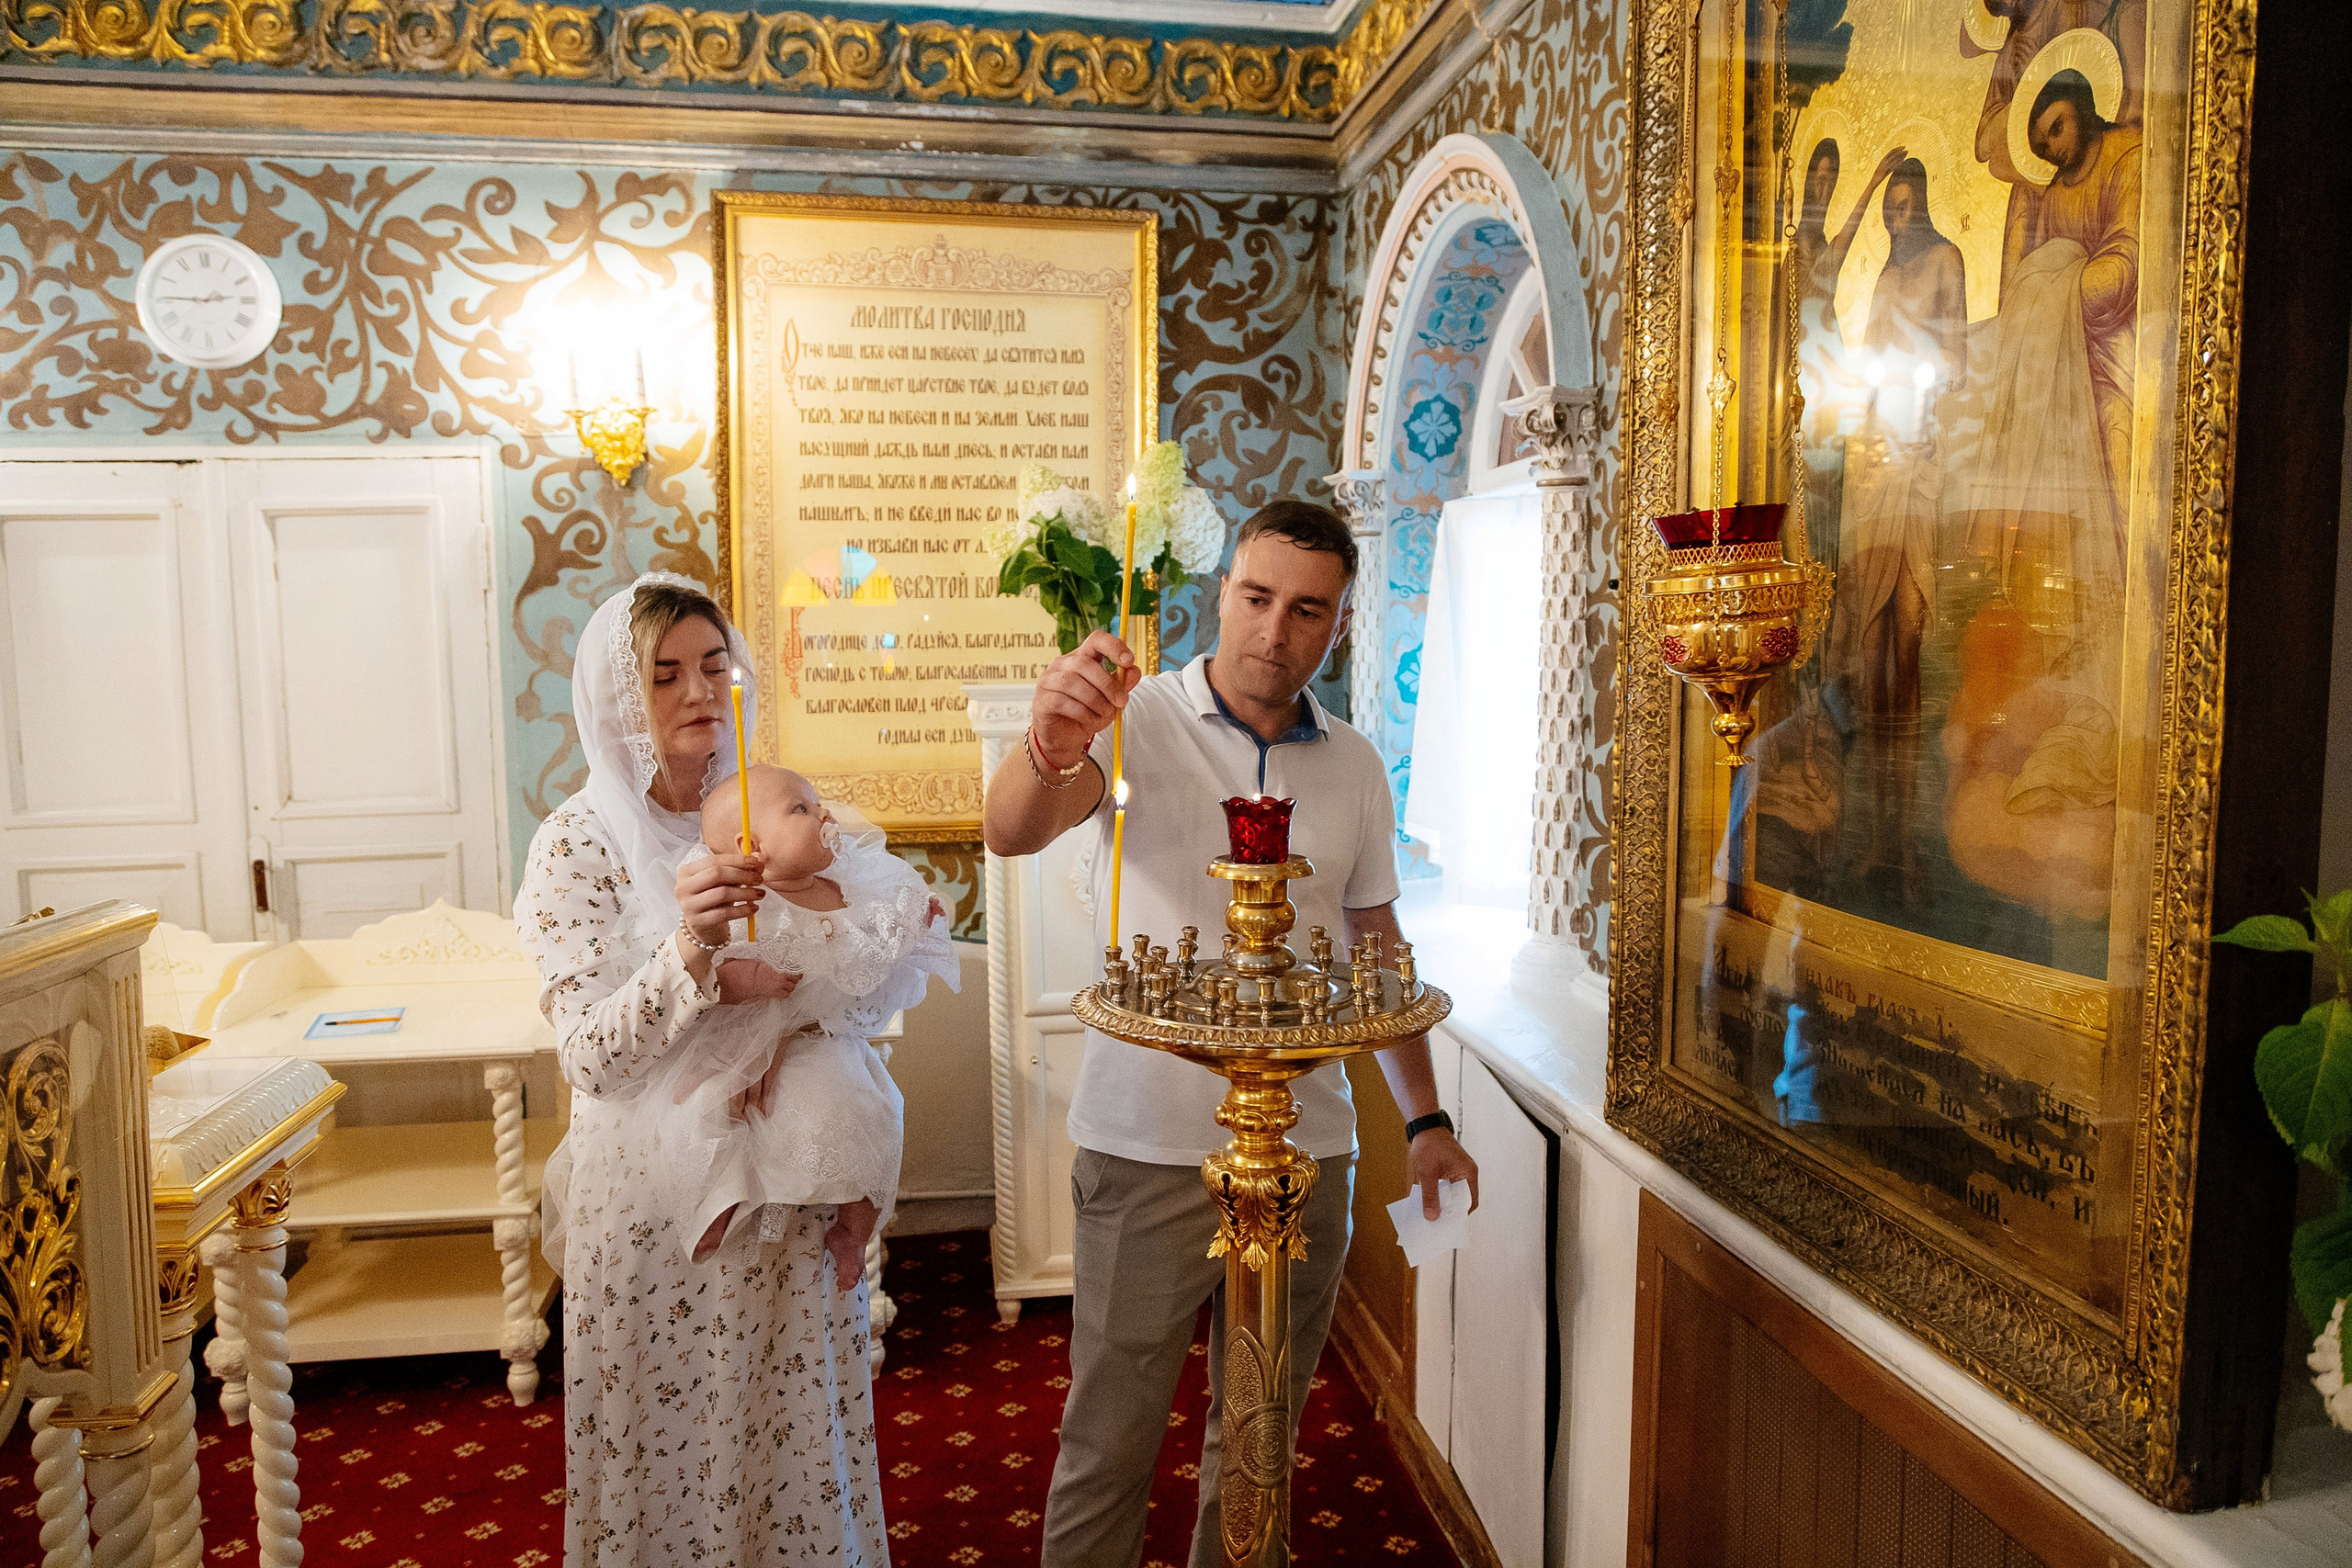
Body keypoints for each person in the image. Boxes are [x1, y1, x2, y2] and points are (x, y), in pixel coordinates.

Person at [982, 499, 1481, 1568]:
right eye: (1256, 598)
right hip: (1147, 1142)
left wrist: (1427, 1117)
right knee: (1111, 1431)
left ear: (1338, 626)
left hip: (1309, 1147)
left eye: (1307, 611)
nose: (1274, 631)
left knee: (1260, 1432)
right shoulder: (1133, 720)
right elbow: (1012, 828)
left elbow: (1373, 943)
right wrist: (1047, 740)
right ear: (1223, 594)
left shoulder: (1352, 765)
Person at [514, 573, 890, 1565]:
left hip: (791, 1204)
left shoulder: (779, 818)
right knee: (669, 1471)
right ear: (615, 700)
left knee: (793, 1458)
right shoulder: (576, 845)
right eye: (663, 674)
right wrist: (689, 954)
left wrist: (817, 998)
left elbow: (859, 992)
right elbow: (594, 1059)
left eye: (714, 666)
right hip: (658, 1227)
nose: (695, 692)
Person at [650, 764, 956, 1277]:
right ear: (753, 845)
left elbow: (874, 950)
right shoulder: (745, 906)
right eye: (802, 809)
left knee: (871, 1118)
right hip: (739, 1042)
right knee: (703, 1112)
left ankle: (854, 1233)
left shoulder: (846, 889)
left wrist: (915, 924)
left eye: (817, 804)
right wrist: (750, 981)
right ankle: (712, 1207)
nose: (824, 814)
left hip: (821, 1044)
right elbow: (706, 977)